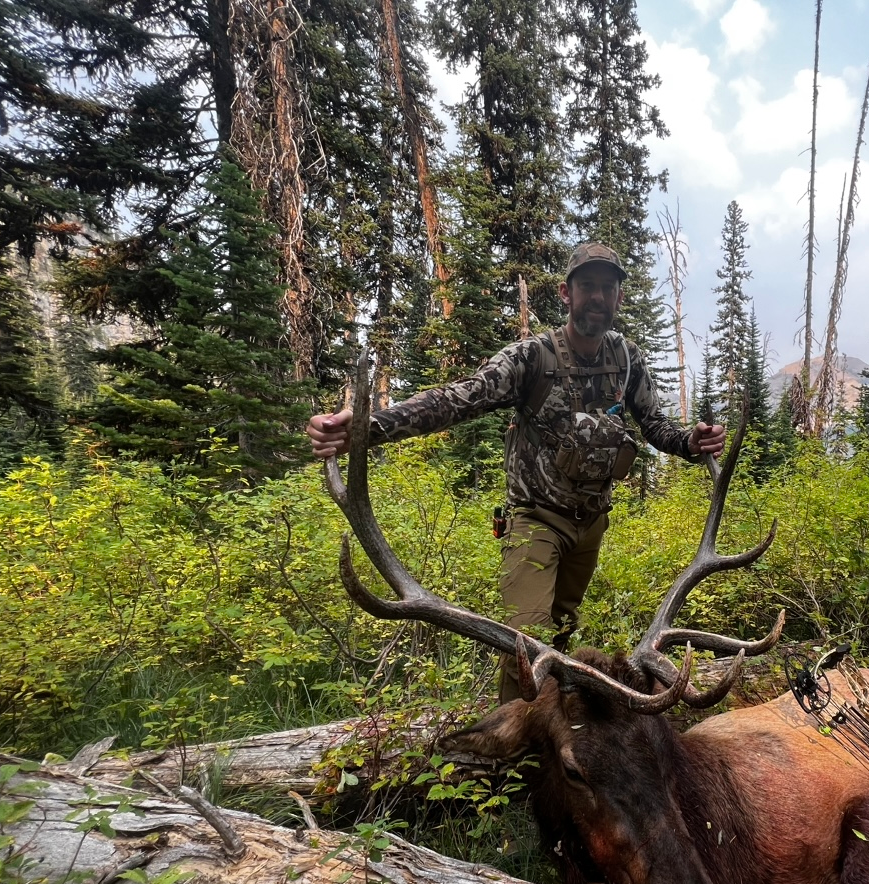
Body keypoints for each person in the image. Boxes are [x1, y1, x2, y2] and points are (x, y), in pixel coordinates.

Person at [307, 241, 725, 701]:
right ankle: (511, 745)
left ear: (619, 298)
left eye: (608, 288)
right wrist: (369, 427)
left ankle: (552, 736)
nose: (598, 297)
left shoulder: (627, 361)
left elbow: (655, 425)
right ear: (566, 294)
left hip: (591, 526)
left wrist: (689, 441)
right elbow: (457, 398)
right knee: (527, 643)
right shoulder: (533, 358)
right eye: (588, 286)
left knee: (560, 638)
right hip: (535, 521)